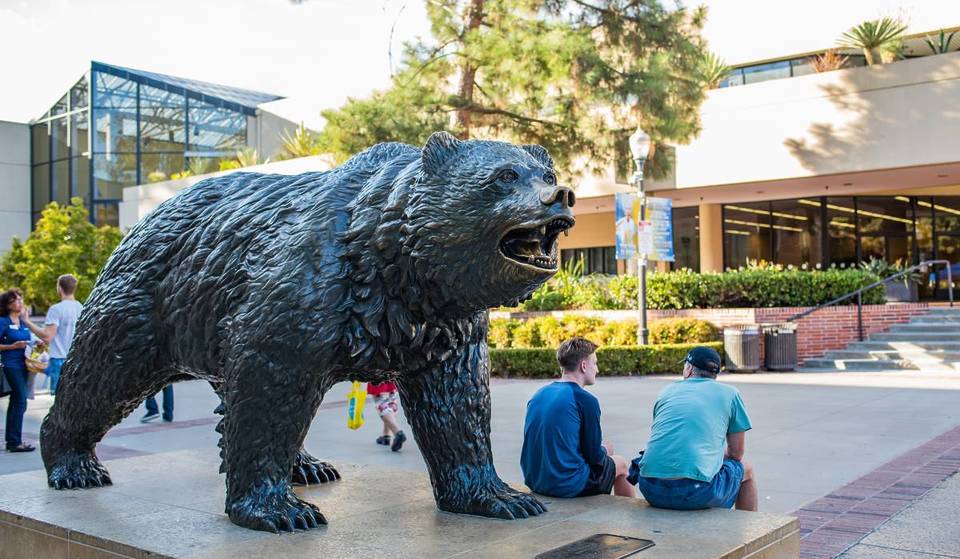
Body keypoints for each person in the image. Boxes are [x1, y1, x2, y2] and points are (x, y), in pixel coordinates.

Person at [628, 346, 757, 511]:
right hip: (696, 492)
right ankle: (749, 530)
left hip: (650, 487)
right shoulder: (730, 394)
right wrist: (710, 455)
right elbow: (736, 454)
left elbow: (667, 438)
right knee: (747, 469)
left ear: (688, 369)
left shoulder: (667, 391)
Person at [520, 337, 635, 498]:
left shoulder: (539, 394)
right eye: (595, 363)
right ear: (583, 366)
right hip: (566, 484)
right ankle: (628, 517)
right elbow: (594, 457)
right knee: (621, 463)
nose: (597, 369)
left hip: (535, 480)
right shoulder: (585, 400)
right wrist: (605, 450)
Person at [24, 274, 83, 396]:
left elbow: (47, 336)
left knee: (59, 401)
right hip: (77, 359)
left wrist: (27, 322)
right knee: (72, 399)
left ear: (60, 288)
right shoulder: (81, 307)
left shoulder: (56, 309)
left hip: (59, 361)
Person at [0, 289, 36, 452]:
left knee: (16, 401)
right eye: (16, 300)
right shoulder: (3, 321)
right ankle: (15, 441)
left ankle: (12, 441)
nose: (21, 302)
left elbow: (29, 340)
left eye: (21, 299)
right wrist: (12, 346)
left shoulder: (22, 322)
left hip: (24, 365)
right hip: (11, 365)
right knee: (21, 400)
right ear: (8, 305)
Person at [367, 381, 406, 452]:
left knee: (380, 402)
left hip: (377, 374)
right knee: (391, 399)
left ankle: (398, 432)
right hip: (392, 372)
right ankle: (386, 435)